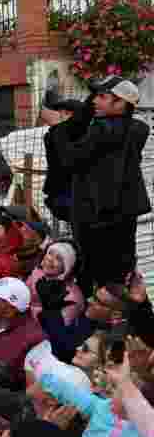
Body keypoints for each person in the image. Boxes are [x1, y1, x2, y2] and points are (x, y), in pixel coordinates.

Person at [58, 76, 150, 291]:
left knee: (98, 279)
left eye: (102, 97)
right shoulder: (135, 129)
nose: (94, 101)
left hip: (96, 218)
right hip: (122, 215)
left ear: (121, 103)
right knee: (121, 276)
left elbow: (68, 158)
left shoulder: (102, 130)